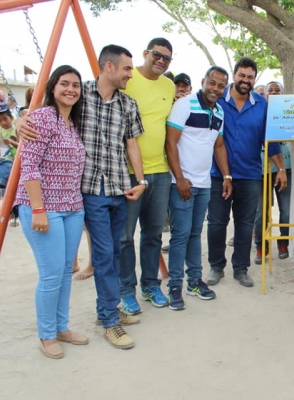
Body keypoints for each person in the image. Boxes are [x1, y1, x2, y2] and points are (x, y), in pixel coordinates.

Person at [18, 44, 147, 350]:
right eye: (127, 68)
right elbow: (39, 116)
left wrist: (140, 180)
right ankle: (107, 320)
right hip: (87, 192)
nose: (131, 73)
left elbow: (132, 144)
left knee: (111, 253)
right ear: (109, 67)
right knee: (98, 258)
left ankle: (102, 311)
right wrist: (23, 117)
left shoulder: (127, 104)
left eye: (72, 85)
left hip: (113, 190)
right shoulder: (81, 94)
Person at [14, 65, 88, 359]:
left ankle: (61, 327)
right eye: (64, 84)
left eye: (76, 86)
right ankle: (46, 335)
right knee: (51, 275)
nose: (71, 89)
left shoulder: (74, 122)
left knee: (67, 273)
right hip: (43, 207)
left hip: (72, 207)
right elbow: (29, 166)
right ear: (52, 88)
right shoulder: (42, 118)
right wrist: (38, 210)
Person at [206, 57, 286, 288]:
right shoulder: (218, 99)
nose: (245, 80)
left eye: (250, 77)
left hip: (250, 174)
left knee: (245, 224)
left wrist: (280, 168)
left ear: (254, 79)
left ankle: (241, 269)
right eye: (242, 75)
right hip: (217, 174)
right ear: (234, 75)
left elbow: (269, 141)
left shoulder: (262, 104)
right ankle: (216, 267)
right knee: (217, 223)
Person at [165, 66, 231, 310]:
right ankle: (174, 286)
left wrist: (227, 175)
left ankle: (194, 281)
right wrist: (179, 178)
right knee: (180, 236)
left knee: (194, 234)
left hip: (204, 183)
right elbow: (170, 142)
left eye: (221, 85)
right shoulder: (185, 104)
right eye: (212, 83)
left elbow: (219, 146)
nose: (215, 88)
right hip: (182, 183)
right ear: (203, 81)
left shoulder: (220, 111)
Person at [119, 38, 175, 315]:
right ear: (146, 54)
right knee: (125, 237)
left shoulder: (169, 85)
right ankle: (126, 291)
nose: (162, 61)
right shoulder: (127, 78)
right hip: (128, 173)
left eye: (167, 58)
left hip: (160, 172)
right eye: (157, 55)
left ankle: (150, 285)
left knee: (153, 235)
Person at [254, 81, 291, 264]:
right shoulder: (258, 113)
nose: (274, 93)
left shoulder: (288, 113)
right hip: (262, 170)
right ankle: (261, 247)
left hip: (286, 168)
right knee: (261, 212)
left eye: (278, 90)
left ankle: (283, 244)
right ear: (265, 94)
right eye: (271, 90)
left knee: (286, 211)